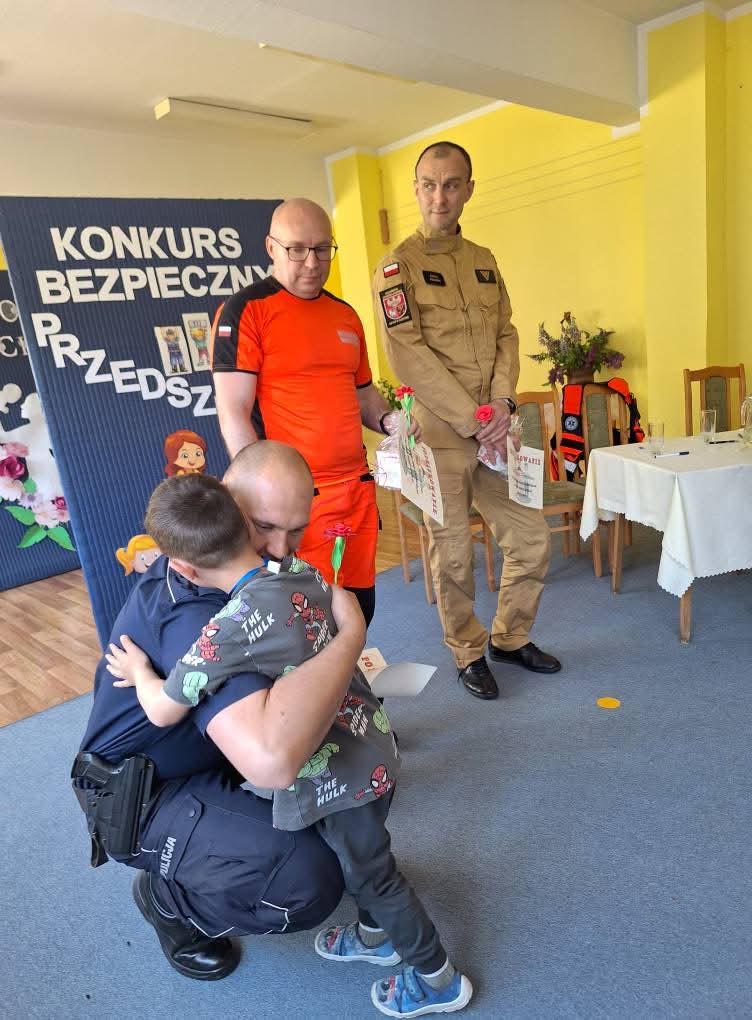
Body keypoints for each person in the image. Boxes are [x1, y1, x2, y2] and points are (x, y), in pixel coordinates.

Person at [107, 470, 472, 1017]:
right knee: (363, 856)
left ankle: (437, 977)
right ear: (246, 525)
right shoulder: (300, 572)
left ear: (182, 567)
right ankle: (375, 936)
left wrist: (139, 671)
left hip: (338, 780)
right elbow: (331, 613)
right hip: (373, 745)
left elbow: (162, 708)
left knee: (374, 877)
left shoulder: (223, 633)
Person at [73, 441, 367, 983]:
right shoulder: (202, 623)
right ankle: (167, 901)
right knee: (309, 880)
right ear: (228, 507)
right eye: (264, 526)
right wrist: (351, 639)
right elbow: (272, 763)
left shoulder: (251, 576)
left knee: (348, 785)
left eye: (296, 530)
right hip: (141, 794)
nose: (279, 550)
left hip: (200, 756)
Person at [372, 141, 561, 701]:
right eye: (430, 185)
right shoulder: (397, 267)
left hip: (496, 432)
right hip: (441, 435)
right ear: (416, 189)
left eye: (452, 184)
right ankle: (468, 651)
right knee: (452, 553)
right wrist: (474, 419)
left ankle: (510, 637)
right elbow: (407, 354)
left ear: (468, 190)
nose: (440, 196)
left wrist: (501, 405)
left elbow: (507, 335)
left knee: (531, 539)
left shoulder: (484, 259)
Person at [211, 197, 419, 628]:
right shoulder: (245, 311)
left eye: (323, 249)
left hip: (356, 491)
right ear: (271, 247)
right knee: (303, 623)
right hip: (296, 506)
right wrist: (261, 502)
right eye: (297, 249)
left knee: (358, 610)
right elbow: (233, 412)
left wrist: (390, 421)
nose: (312, 262)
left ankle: (353, 675)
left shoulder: (345, 315)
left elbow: (363, 393)